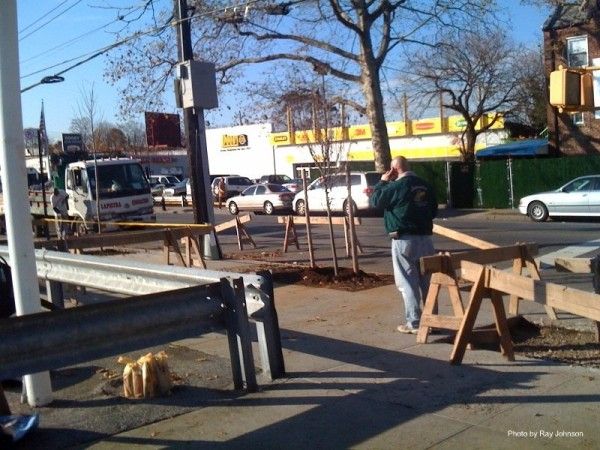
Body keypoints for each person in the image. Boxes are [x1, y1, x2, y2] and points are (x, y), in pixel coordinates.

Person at [370, 156, 438, 334]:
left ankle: (414, 323)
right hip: (426, 238)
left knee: (407, 282)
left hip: (403, 239)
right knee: (428, 282)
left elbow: (376, 201)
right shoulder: (425, 185)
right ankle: (434, 320)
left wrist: (383, 182)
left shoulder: (395, 186)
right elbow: (433, 210)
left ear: (394, 169)